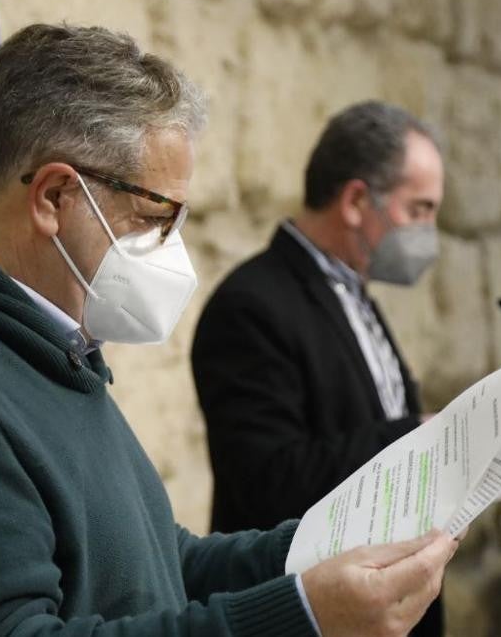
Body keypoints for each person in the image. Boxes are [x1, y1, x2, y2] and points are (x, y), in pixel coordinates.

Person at [0, 25, 455, 637]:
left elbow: (160, 565)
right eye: (154, 216)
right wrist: (300, 617)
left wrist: (337, 541)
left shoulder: (45, 351)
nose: (171, 249)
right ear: (54, 197)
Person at [191, 101, 448, 634]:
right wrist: (418, 439)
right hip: (308, 611)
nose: (430, 232)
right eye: (419, 210)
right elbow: (268, 480)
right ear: (357, 201)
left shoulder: (355, 294)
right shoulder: (253, 303)